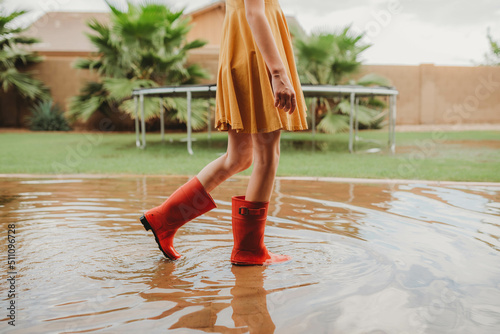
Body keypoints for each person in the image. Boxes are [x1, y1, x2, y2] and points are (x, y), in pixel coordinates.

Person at [140, 0, 308, 265]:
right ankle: (249, 250)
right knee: (267, 154)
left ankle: (163, 218)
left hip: (243, 48)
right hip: (257, 55)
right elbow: (254, 12)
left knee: (239, 157)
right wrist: (277, 71)